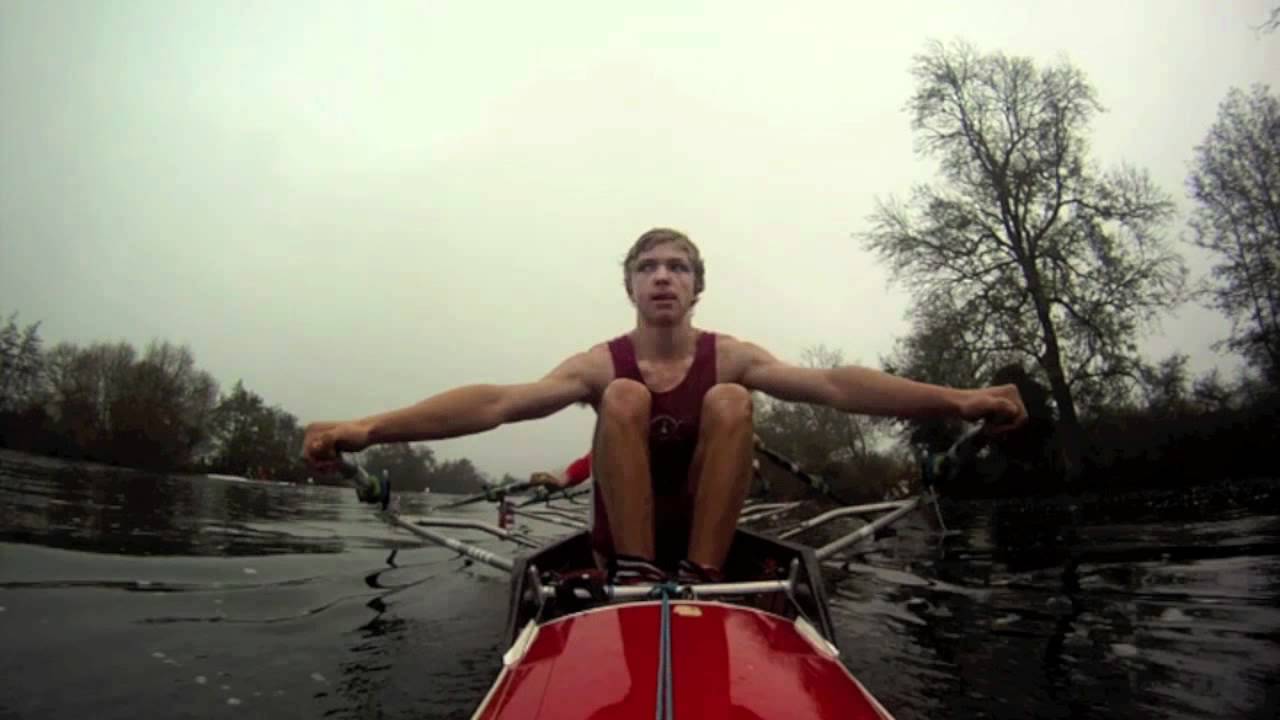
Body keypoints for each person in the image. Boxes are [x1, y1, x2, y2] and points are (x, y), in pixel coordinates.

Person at [302, 227, 1027, 585]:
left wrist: (960, 400)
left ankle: (704, 579)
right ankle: (637, 574)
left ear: (696, 288)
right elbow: (498, 403)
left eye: (677, 267)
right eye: (647, 267)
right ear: (629, 287)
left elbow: (838, 386)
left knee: (732, 399)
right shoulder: (599, 364)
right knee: (622, 396)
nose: (662, 277)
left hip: (707, 547)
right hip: (620, 550)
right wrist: (371, 427)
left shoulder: (731, 355)